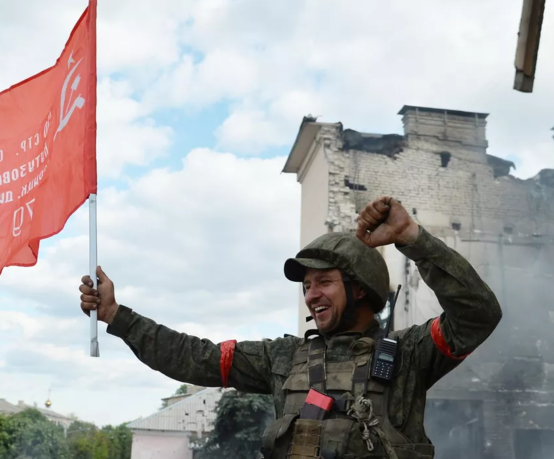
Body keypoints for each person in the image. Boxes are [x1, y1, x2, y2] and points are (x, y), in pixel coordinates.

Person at [79, 196, 502, 459]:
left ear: (359, 289)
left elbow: (478, 314)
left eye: (324, 282)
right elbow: (196, 357)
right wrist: (118, 316)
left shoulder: (408, 354)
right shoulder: (282, 358)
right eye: (306, 285)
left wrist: (411, 237)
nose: (312, 294)